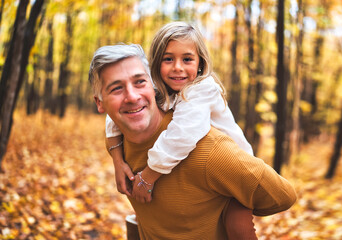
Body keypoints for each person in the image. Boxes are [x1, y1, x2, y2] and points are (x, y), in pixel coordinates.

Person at [89, 43, 297, 239]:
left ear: (152, 86)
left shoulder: (210, 152)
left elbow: (283, 195)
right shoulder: (121, 138)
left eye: (139, 82)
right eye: (116, 88)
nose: (132, 97)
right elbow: (112, 124)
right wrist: (117, 159)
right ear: (100, 103)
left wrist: (236, 205)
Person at [105, 21, 256, 239]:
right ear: (156, 63)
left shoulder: (202, 89)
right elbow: (117, 114)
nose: (178, 67)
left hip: (233, 175)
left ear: (200, 64)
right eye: (168, 59)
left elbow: (181, 136)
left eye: (187, 59)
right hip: (198, 180)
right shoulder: (155, 88)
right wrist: (118, 162)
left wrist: (147, 177)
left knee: (237, 228)